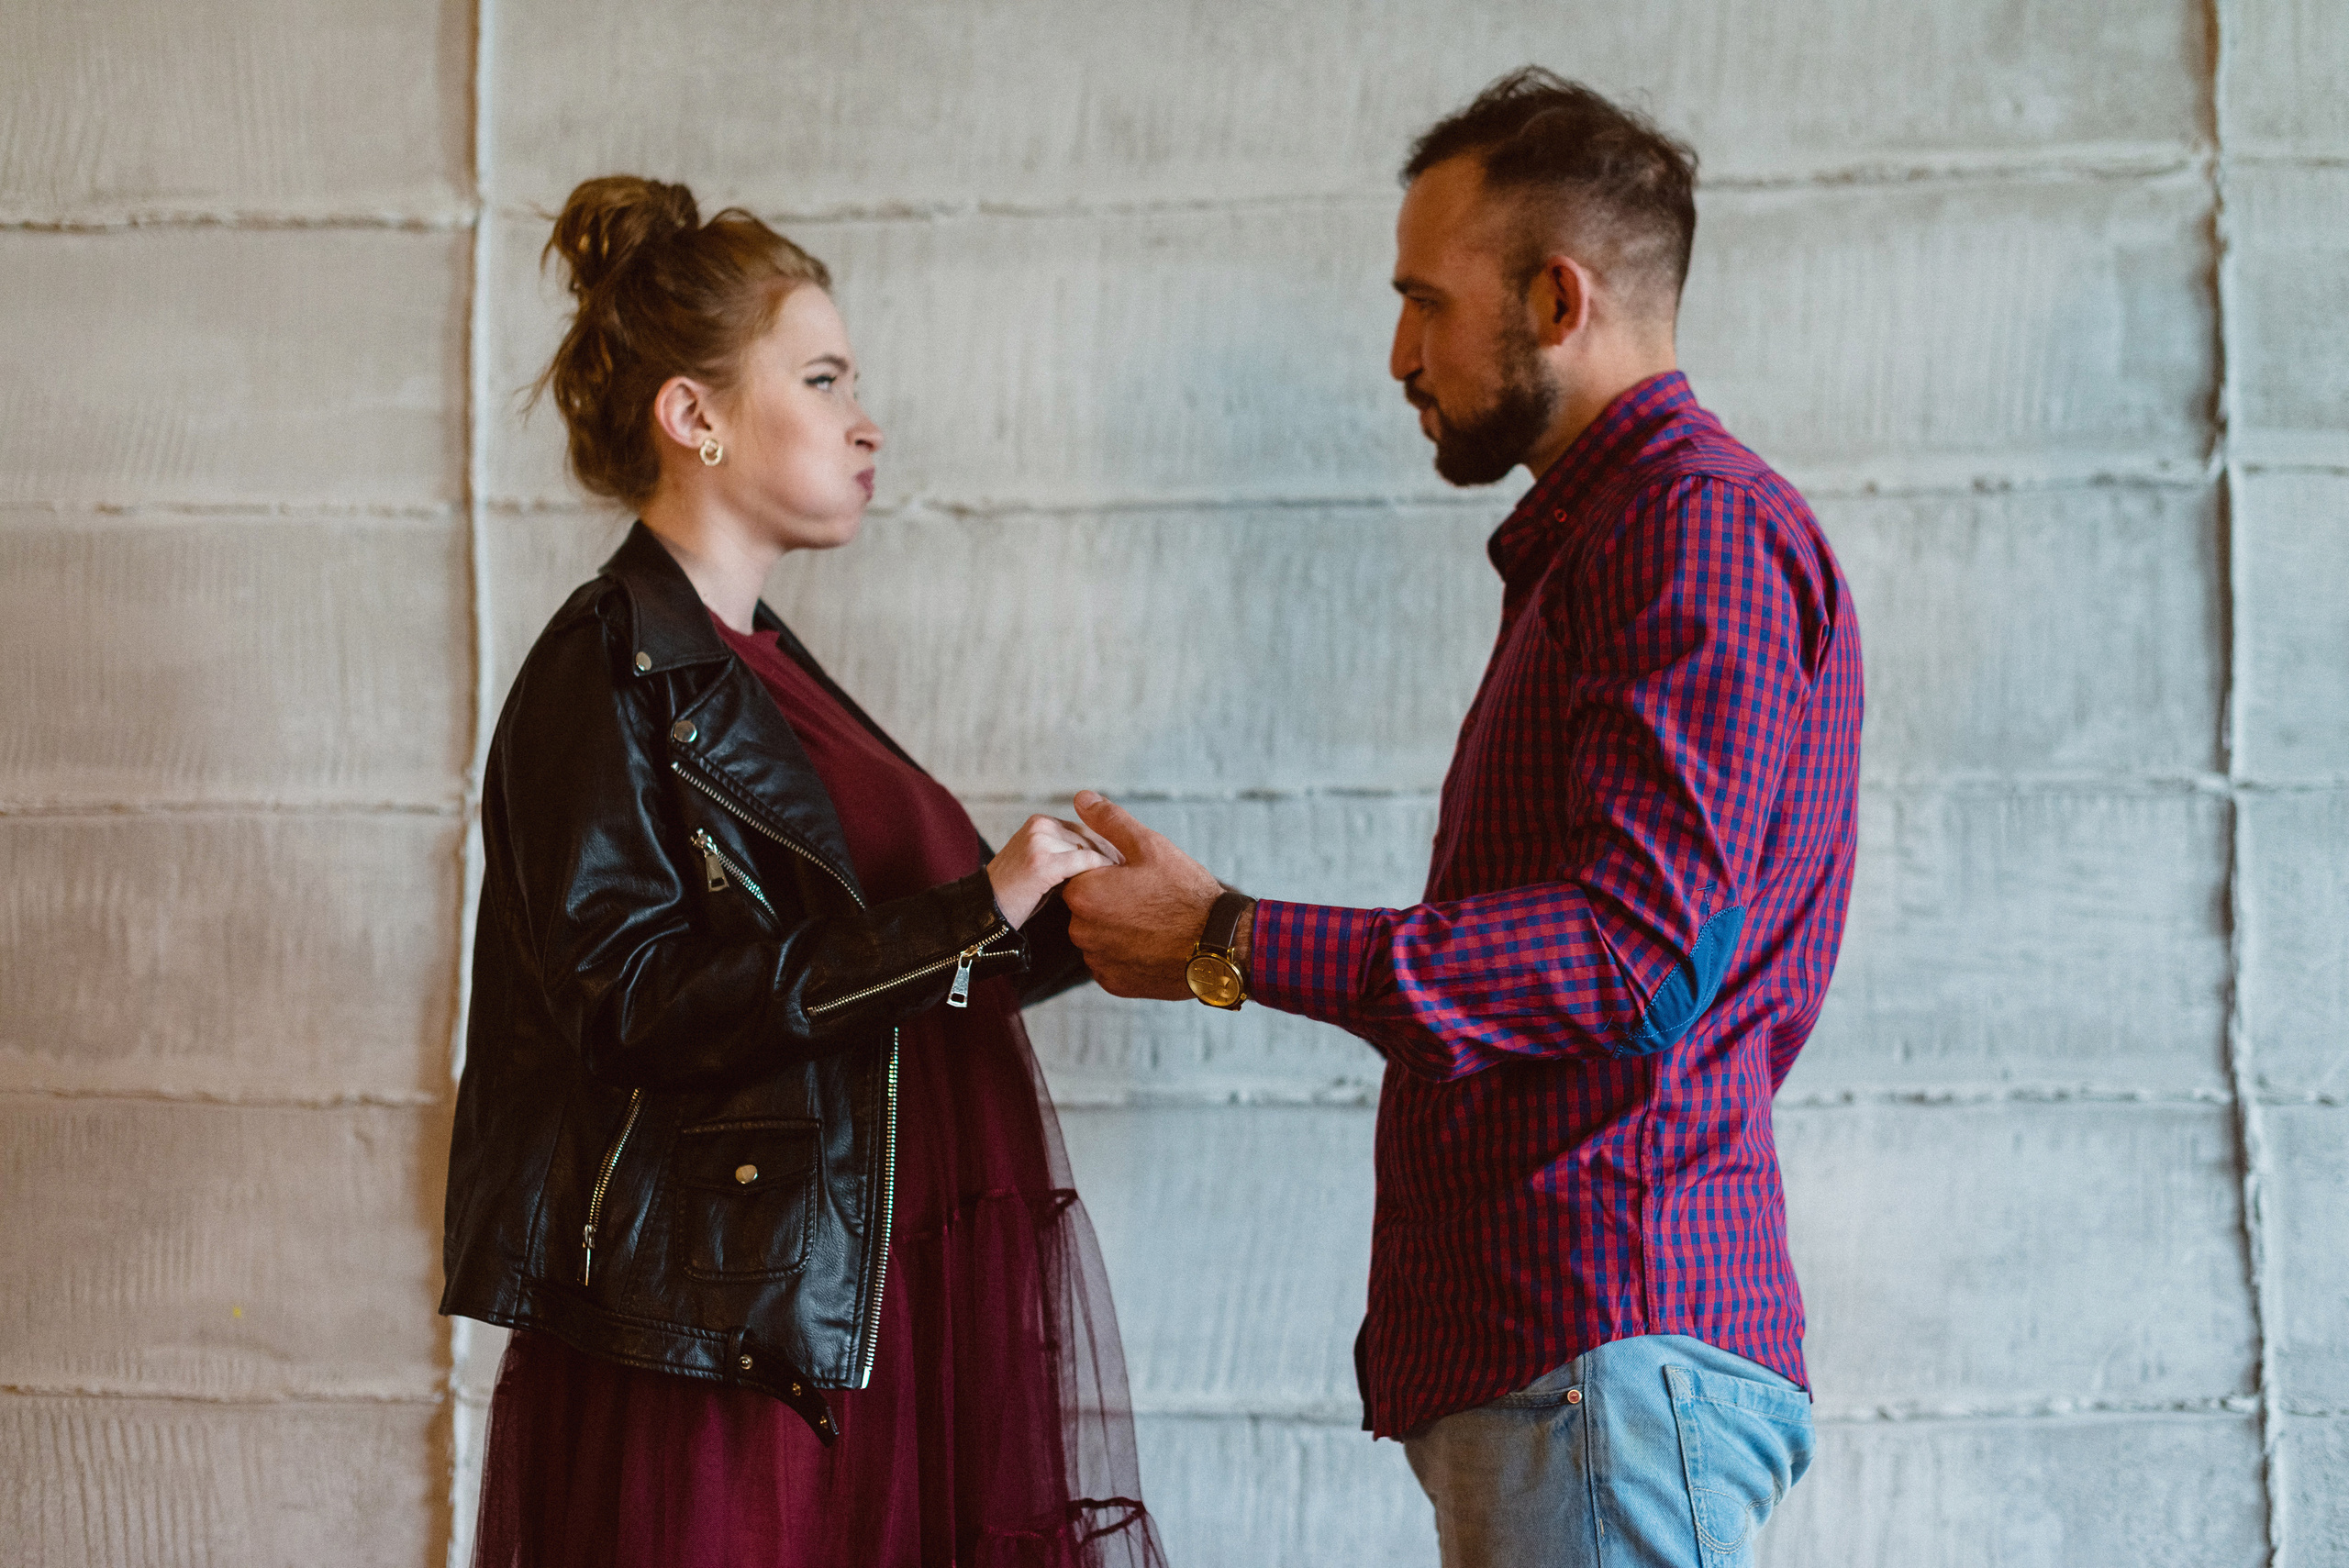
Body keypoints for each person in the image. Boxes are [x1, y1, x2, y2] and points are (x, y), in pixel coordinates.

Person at [1063, 71, 1862, 1568]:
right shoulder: (1615, 541)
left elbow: (1635, 955)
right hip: (1578, 1363)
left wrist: (1226, 939)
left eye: (1426, 299)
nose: (1397, 353)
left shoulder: (1692, 529)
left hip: (1609, 1353)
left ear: (1558, 298)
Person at [440, 175, 1164, 1568]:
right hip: (736, 1346)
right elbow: (632, 1000)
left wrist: (1092, 920)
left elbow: (878, 976)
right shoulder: (607, 665)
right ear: (692, 414)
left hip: (854, 1310)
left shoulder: (764, 667)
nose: (865, 418)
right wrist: (971, 909)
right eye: (822, 376)